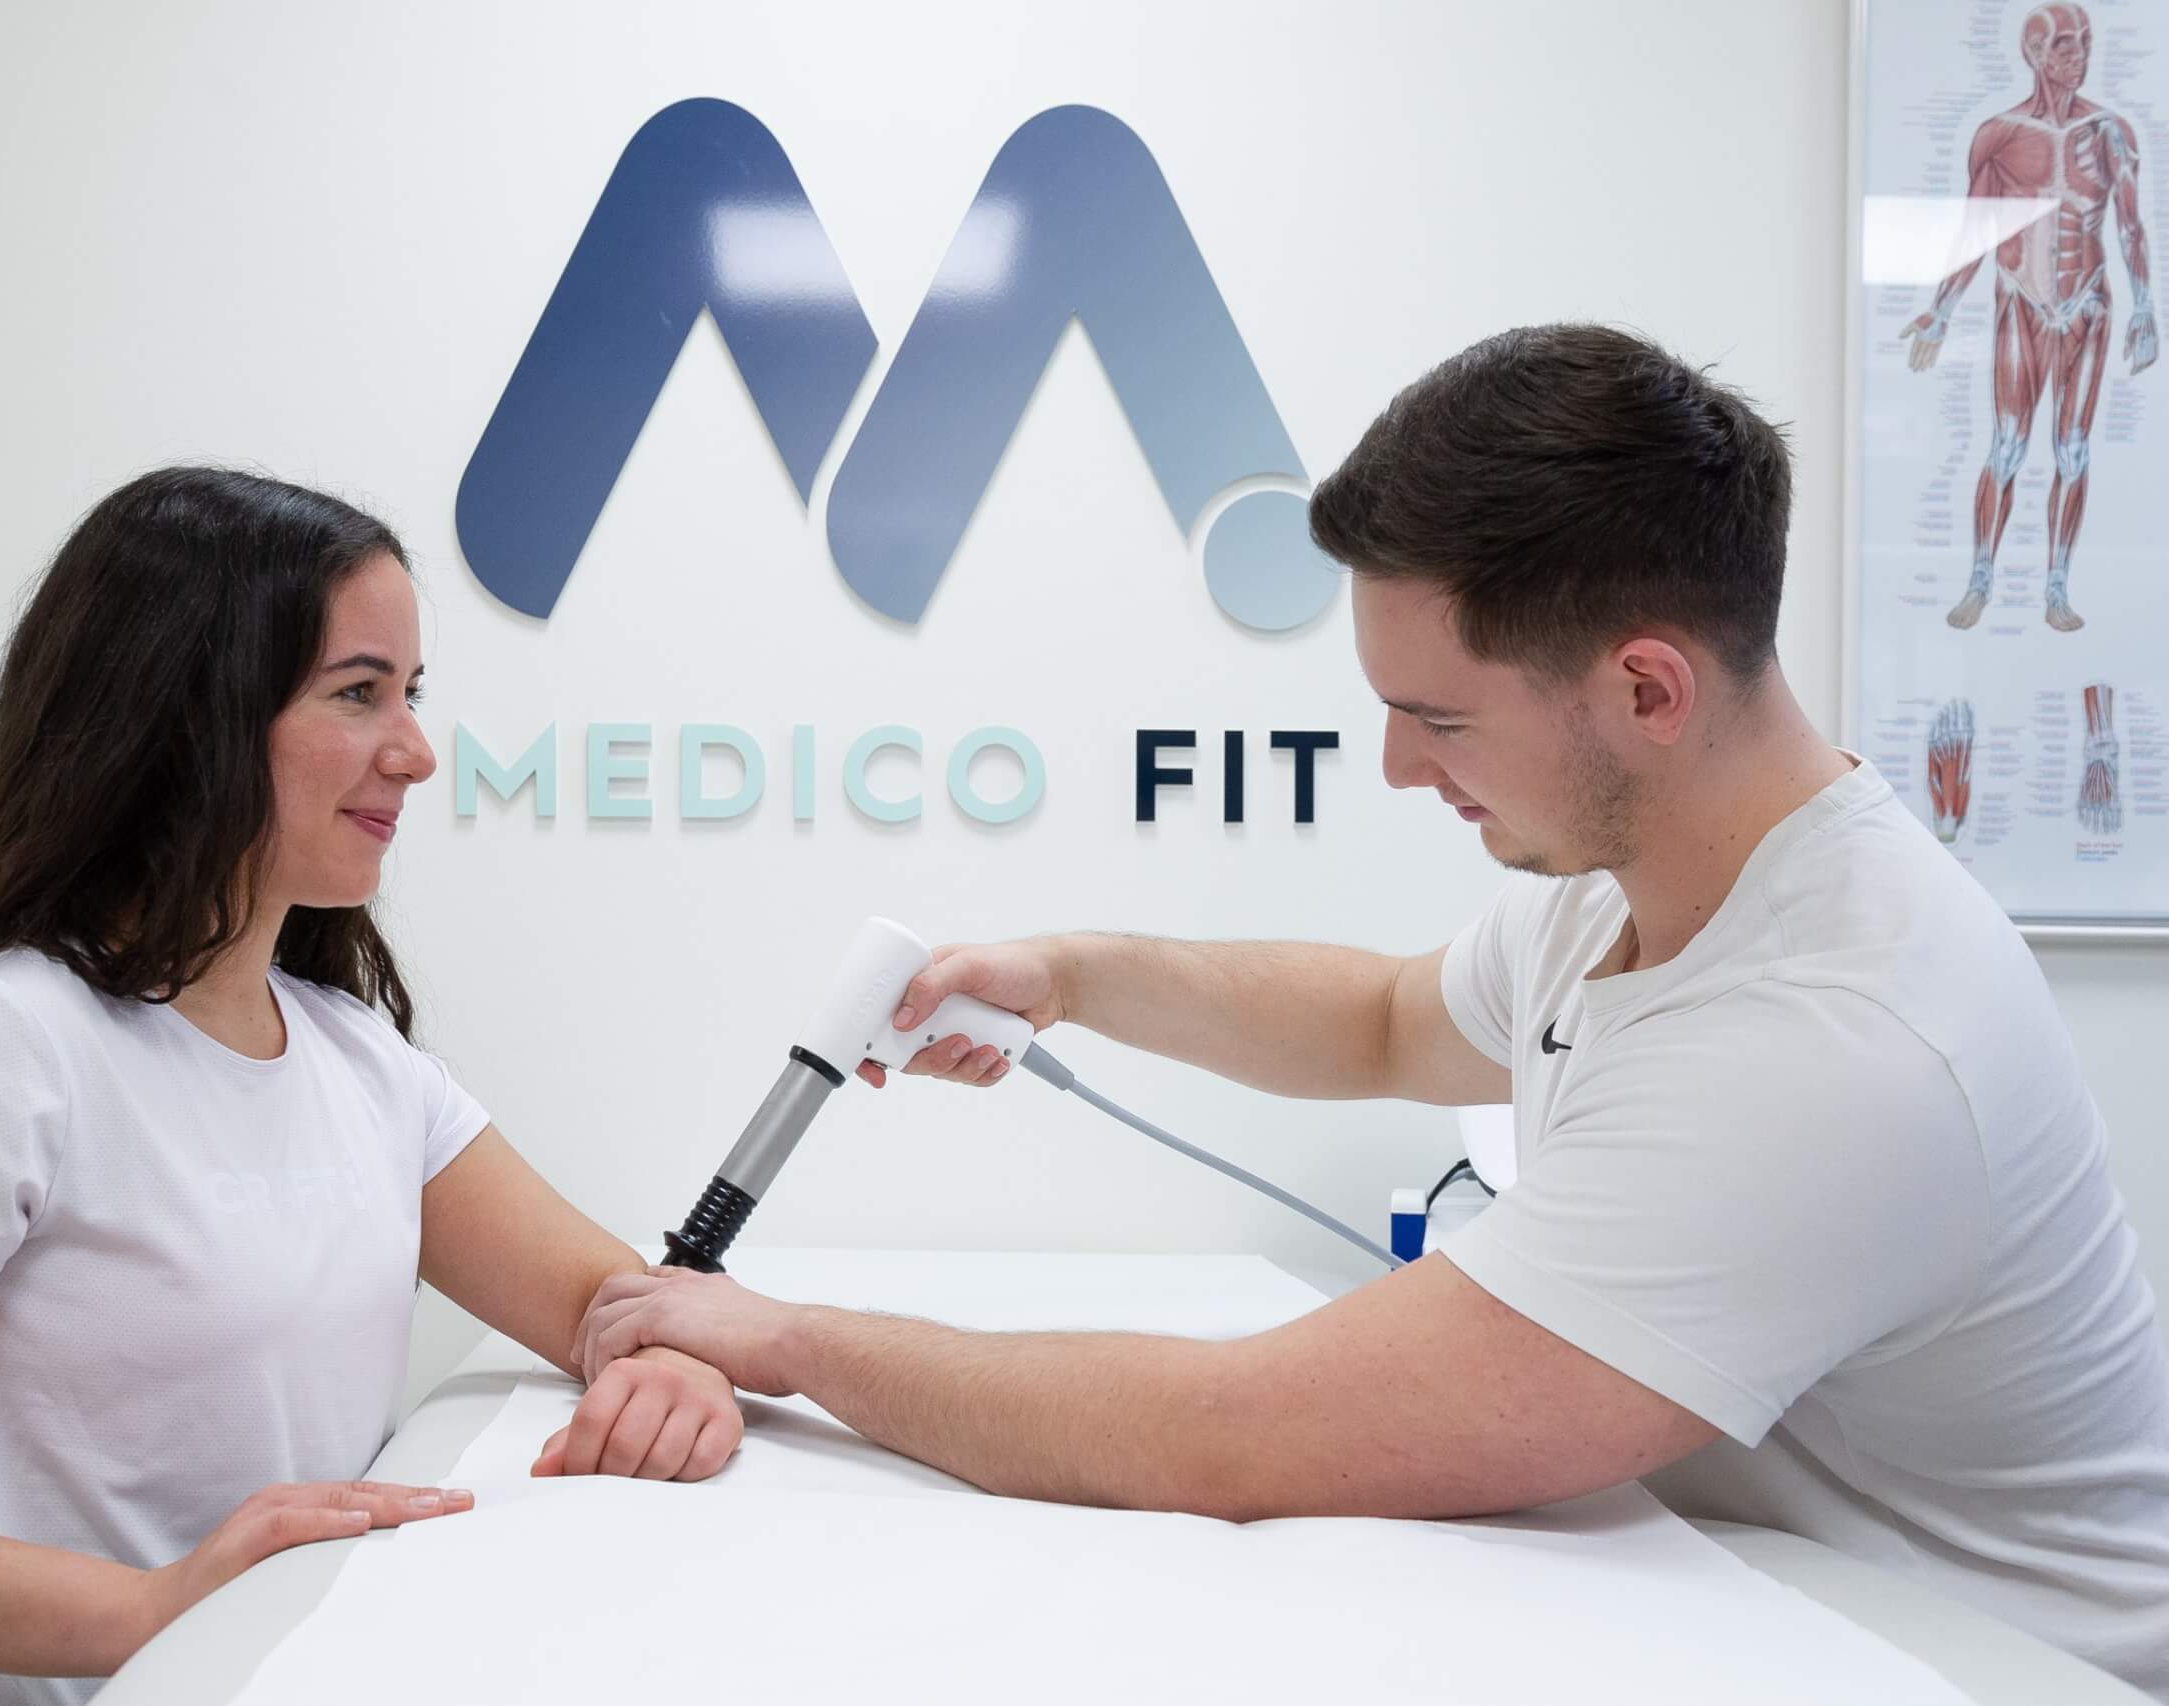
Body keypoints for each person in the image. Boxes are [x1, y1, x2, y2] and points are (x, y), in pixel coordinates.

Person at [570, 326, 2169, 1696]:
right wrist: (1073, 974)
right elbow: (1387, 1021)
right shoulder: (1636, 875)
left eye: (1437, 716)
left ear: (1648, 691)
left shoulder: (1842, 1038)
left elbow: (1231, 1434)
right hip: (1760, 1609)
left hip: (1980, 1666)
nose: (1401, 766)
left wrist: (784, 1338)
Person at [0, 468, 742, 1706]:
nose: (417, 752)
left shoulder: (355, 1056)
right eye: (358, 693)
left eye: (410, 694)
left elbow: (610, 1301)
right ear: (186, 716)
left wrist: (670, 1366)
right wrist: (151, 1613)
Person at [1901, 0, 2155, 632]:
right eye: (2067, 45)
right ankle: (1981, 579)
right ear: (2036, 55)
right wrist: (1939, 311)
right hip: (2022, 302)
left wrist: (2146, 307)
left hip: (2089, 303)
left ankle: (2057, 587)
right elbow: (1974, 233)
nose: (2080, 55)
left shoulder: (2112, 132)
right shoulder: (1999, 135)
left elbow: (2130, 227)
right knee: (2008, 446)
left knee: (2071, 450)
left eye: (2086, 43)